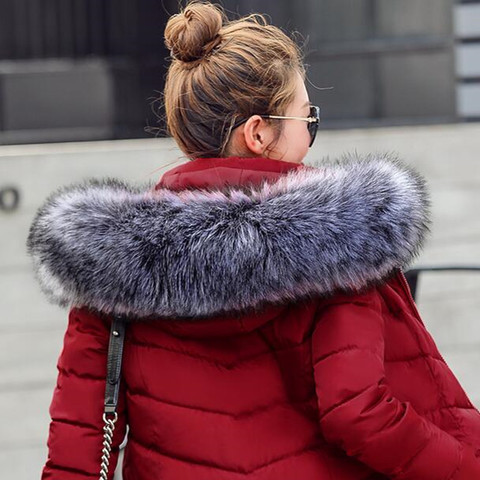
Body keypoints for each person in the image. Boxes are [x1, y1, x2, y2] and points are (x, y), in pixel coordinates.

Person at [26, 2, 480, 479]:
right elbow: (360, 414)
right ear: (259, 133)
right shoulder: (337, 240)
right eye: (309, 118)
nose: (312, 136)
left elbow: (77, 444)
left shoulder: (110, 261)